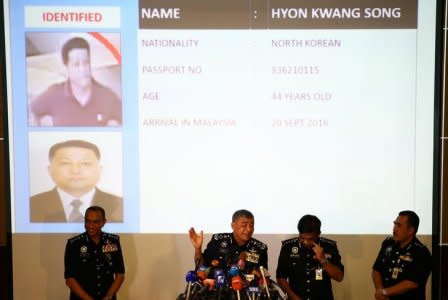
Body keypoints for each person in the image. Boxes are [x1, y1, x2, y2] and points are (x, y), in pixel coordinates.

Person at [30, 36, 122, 126]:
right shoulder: (53, 94)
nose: (83, 69)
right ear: (67, 67)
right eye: (76, 65)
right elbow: (33, 111)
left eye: (86, 62)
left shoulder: (107, 96)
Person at [30, 139, 123, 222]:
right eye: (65, 163)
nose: (75, 171)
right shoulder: (31, 205)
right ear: (50, 170)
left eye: (85, 163)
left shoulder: (121, 206)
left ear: (100, 170)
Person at [276, 214, 344, 300]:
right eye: (302, 238)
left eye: (310, 239)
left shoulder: (330, 246)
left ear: (318, 234)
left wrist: (323, 260)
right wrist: (293, 297)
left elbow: (339, 277)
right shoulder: (288, 247)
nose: (305, 242)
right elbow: (280, 276)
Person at [64, 206, 125, 300]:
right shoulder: (74, 244)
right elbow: (70, 279)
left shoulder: (113, 241)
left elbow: (120, 274)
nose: (90, 225)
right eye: (87, 221)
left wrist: (108, 296)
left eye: (95, 222)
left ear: (104, 222)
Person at [372, 210, 432, 300]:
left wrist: (385, 292)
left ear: (411, 230)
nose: (394, 229)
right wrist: (379, 290)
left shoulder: (421, 252)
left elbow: (411, 283)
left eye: (399, 226)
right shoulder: (388, 243)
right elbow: (376, 270)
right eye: (395, 224)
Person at [188, 209, 268, 273]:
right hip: (216, 290)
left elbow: (264, 278)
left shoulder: (260, 248)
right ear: (233, 225)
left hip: (247, 292)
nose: (249, 229)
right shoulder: (218, 241)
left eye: (251, 226)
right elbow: (201, 266)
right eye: (244, 225)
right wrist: (198, 249)